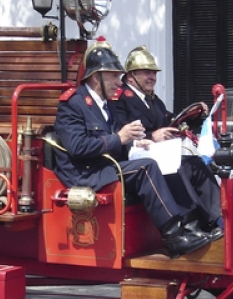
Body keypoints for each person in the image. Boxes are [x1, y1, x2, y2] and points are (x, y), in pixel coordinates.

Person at [53, 40, 212, 258]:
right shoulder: (73, 103)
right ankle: (173, 236)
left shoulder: (106, 103)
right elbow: (78, 147)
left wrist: (136, 143)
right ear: (95, 76)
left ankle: (192, 223)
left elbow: (116, 139)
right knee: (145, 167)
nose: (119, 83)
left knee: (161, 160)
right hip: (84, 173)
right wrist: (120, 138)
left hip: (104, 166)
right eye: (113, 76)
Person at [114, 45, 222, 240]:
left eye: (154, 73)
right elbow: (121, 133)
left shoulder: (153, 100)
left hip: (158, 155)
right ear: (130, 76)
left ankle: (217, 220)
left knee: (196, 165)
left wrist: (195, 116)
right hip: (134, 160)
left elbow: (171, 121)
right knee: (175, 169)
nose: (152, 77)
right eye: (146, 72)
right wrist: (152, 137)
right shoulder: (119, 99)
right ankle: (191, 225)